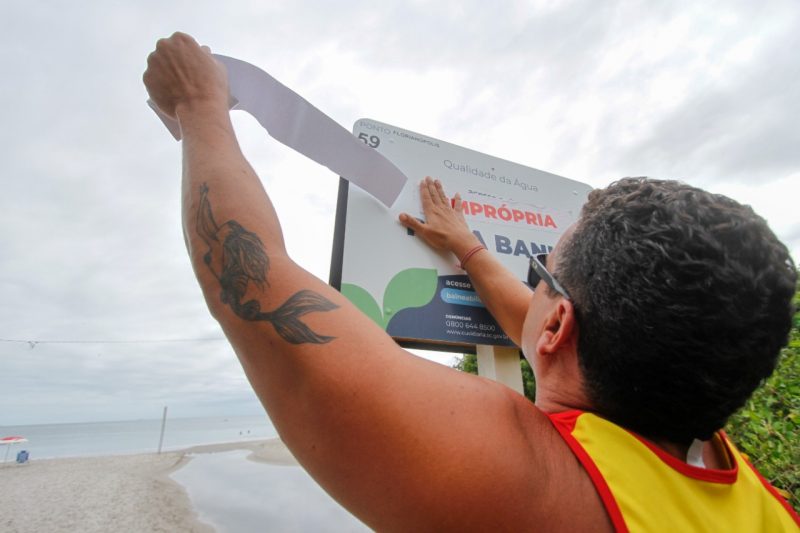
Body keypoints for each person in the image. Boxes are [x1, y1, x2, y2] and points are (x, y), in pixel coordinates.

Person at [143, 33, 799, 531]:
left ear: (561, 324)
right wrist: (468, 248)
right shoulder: (752, 494)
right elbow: (536, 320)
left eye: (541, 269)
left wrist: (200, 107)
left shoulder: (532, 487)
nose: (531, 287)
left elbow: (252, 280)